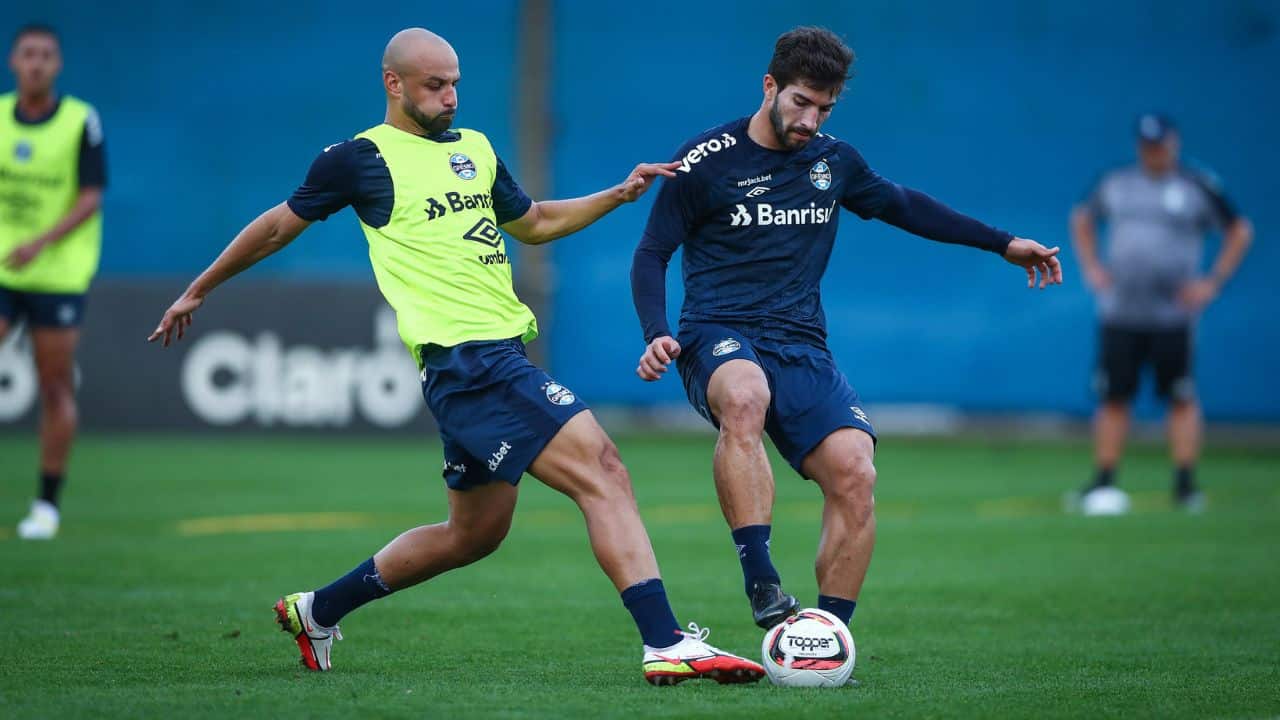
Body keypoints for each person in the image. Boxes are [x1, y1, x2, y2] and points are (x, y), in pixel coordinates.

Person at [149, 28, 763, 685]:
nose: (451, 97)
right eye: (435, 85)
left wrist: (616, 194)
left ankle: (318, 609)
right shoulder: (360, 159)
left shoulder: (475, 149)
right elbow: (276, 227)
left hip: (489, 358)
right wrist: (198, 288)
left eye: (456, 83)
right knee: (604, 469)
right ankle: (665, 641)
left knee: (473, 534)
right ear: (394, 84)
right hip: (469, 362)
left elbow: (535, 222)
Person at [631, 27, 1061, 632]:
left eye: (824, 108)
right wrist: (656, 332)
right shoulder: (704, 161)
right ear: (770, 86)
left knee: (857, 471)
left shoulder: (834, 162)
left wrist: (1003, 244)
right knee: (746, 396)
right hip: (717, 333)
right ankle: (761, 578)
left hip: (801, 343)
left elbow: (905, 205)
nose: (810, 119)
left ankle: (825, 639)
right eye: (801, 102)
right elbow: (652, 252)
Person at [1072, 113, 1252, 513]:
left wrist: (1212, 281)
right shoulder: (1117, 183)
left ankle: (1185, 485)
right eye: (1146, 145)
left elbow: (1239, 229)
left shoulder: (1196, 186)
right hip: (1121, 310)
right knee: (1114, 396)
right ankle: (1103, 481)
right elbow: (1082, 218)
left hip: (1173, 315)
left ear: (1174, 144)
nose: (1153, 153)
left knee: (1180, 396)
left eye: (1160, 145)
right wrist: (1092, 267)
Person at [1, 24, 107, 541]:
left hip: (59, 273)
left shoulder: (79, 120)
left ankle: (46, 505)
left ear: (58, 64)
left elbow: (91, 196)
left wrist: (41, 242)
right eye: (28, 55)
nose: (37, 63)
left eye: (46, 55)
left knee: (53, 385)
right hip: (3, 266)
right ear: (13, 62)